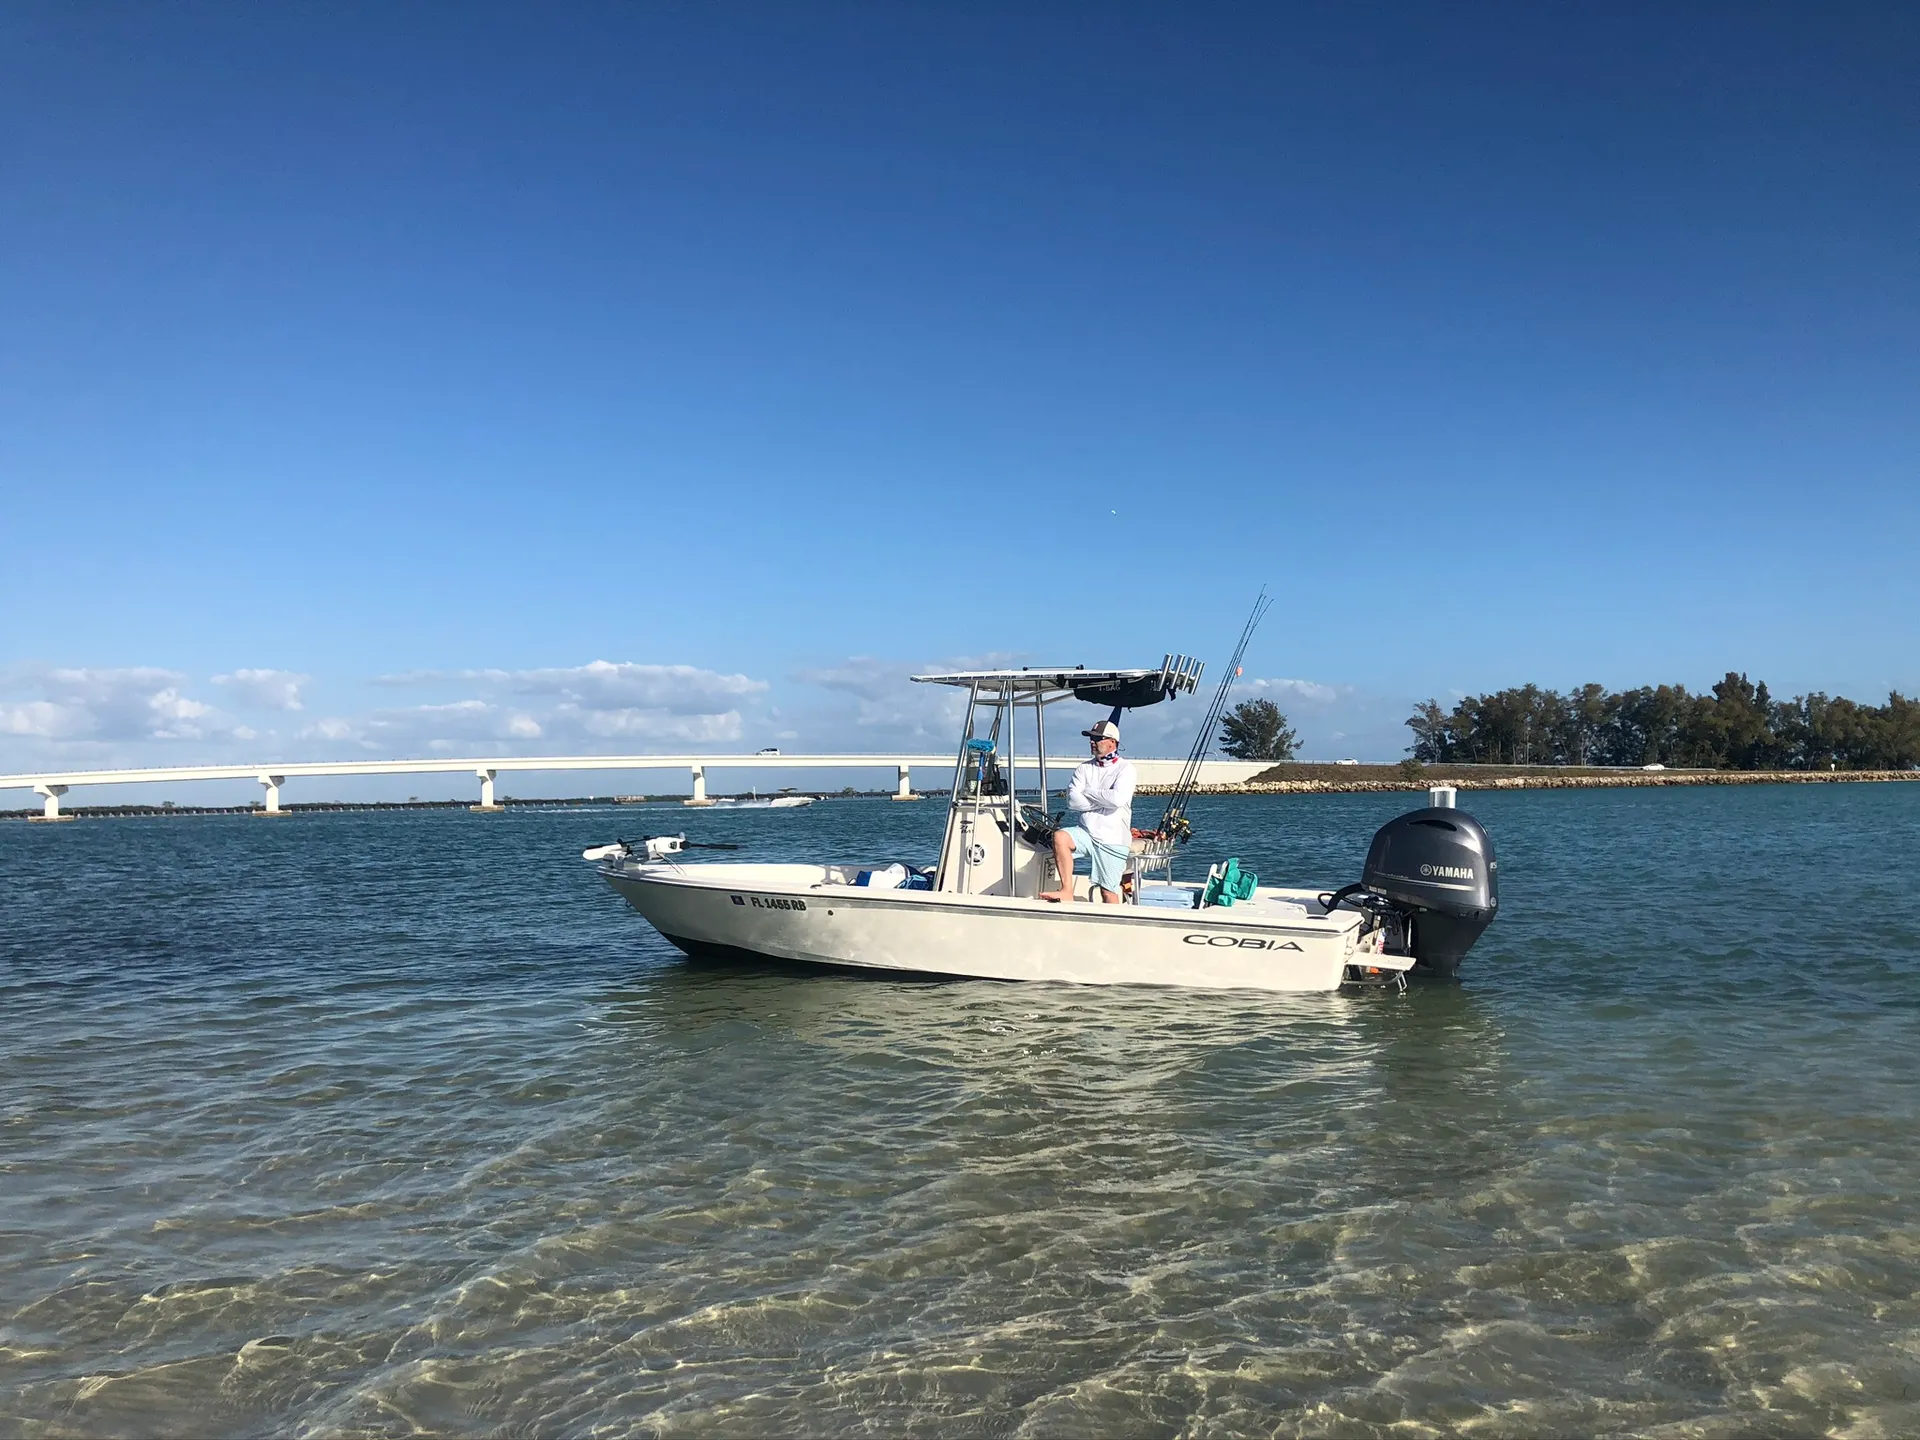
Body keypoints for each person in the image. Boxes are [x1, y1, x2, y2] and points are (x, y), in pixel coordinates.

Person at [1040, 719, 1136, 903]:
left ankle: (1114, 926)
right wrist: (1102, 800)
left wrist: (1088, 792)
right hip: (1086, 833)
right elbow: (1073, 801)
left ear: (1112, 742)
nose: (1092, 741)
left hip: (1113, 839)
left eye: (1097, 738)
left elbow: (1117, 799)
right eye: (1091, 738)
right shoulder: (1084, 768)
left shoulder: (1126, 769)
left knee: (1108, 892)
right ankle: (1066, 890)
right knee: (1060, 837)